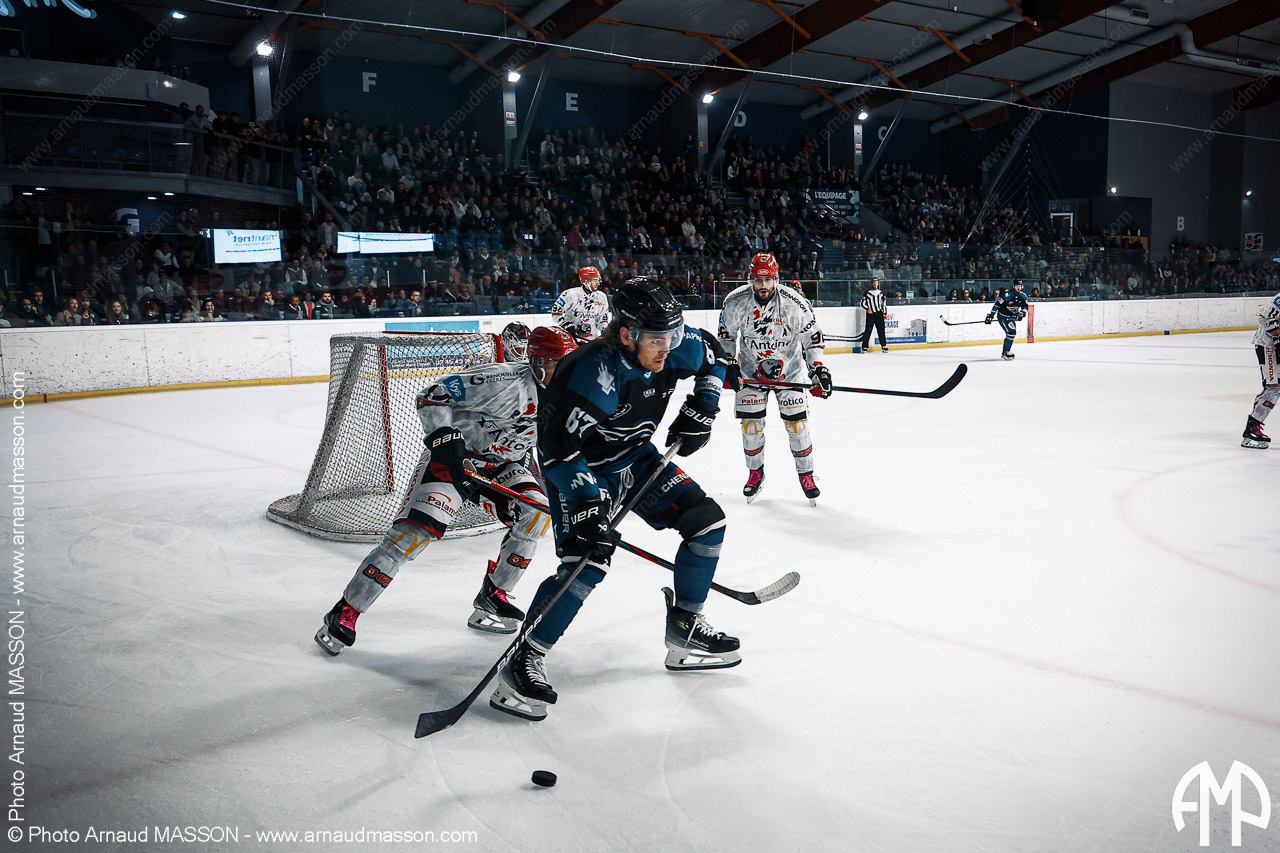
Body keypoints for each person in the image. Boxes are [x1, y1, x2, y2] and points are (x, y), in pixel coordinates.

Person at [490, 278, 740, 723]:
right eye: (657, 340)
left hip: (637, 458)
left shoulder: (671, 342)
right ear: (626, 334)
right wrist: (589, 505)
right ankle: (523, 656)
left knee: (706, 522)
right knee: (588, 561)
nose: (668, 348)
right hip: (581, 468)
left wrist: (703, 406)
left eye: (672, 336)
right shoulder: (588, 372)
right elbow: (555, 449)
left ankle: (685, 627)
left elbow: (715, 355)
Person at [314, 326, 577, 656]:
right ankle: (346, 610)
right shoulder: (502, 380)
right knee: (412, 535)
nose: (566, 373)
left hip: (502, 466)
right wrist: (446, 444)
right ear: (536, 362)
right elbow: (431, 395)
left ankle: (494, 594)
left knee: (537, 512)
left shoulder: (572, 398)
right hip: (456, 462)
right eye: (557, 364)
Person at [717, 252, 831, 504]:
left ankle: (806, 475)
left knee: (798, 427)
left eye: (768, 280)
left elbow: (812, 338)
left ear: (776, 279)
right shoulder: (735, 301)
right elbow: (726, 336)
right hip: (751, 373)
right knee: (750, 427)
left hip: (789, 373)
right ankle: (755, 473)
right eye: (758, 280)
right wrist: (729, 363)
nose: (764, 285)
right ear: (750, 279)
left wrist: (818, 369)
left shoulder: (793, 302)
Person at [1242, 292, 1280, 449]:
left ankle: (1253, 426)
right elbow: (1264, 316)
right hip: (1267, 346)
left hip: (1274, 346)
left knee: (1275, 388)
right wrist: (1278, 338)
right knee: (1274, 387)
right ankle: (1252, 428)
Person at [551, 265, 611, 343]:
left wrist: (606, 333)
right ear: (585, 281)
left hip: (591, 341)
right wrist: (567, 326)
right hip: (571, 341)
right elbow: (556, 313)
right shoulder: (570, 294)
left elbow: (602, 321)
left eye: (598, 280)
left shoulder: (601, 297)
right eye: (595, 280)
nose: (598, 283)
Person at [986, 279, 1029, 360]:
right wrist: (991, 316)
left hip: (1012, 318)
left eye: (1020, 286)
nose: (1018, 288)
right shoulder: (1007, 295)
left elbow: (1025, 307)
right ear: (1013, 286)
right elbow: (997, 305)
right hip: (1003, 317)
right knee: (1011, 333)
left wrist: (1022, 313)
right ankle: (1006, 352)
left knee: (1012, 333)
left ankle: (1006, 351)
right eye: (1017, 286)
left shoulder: (1023, 296)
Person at [859, 277, 888, 353]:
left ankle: (884, 345)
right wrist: (867, 309)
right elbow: (862, 303)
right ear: (872, 283)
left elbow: (883, 304)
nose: (875, 284)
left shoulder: (881, 292)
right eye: (874, 283)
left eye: (877, 282)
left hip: (879, 313)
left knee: (881, 330)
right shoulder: (868, 292)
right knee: (868, 330)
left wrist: (884, 313)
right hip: (871, 314)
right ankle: (864, 347)